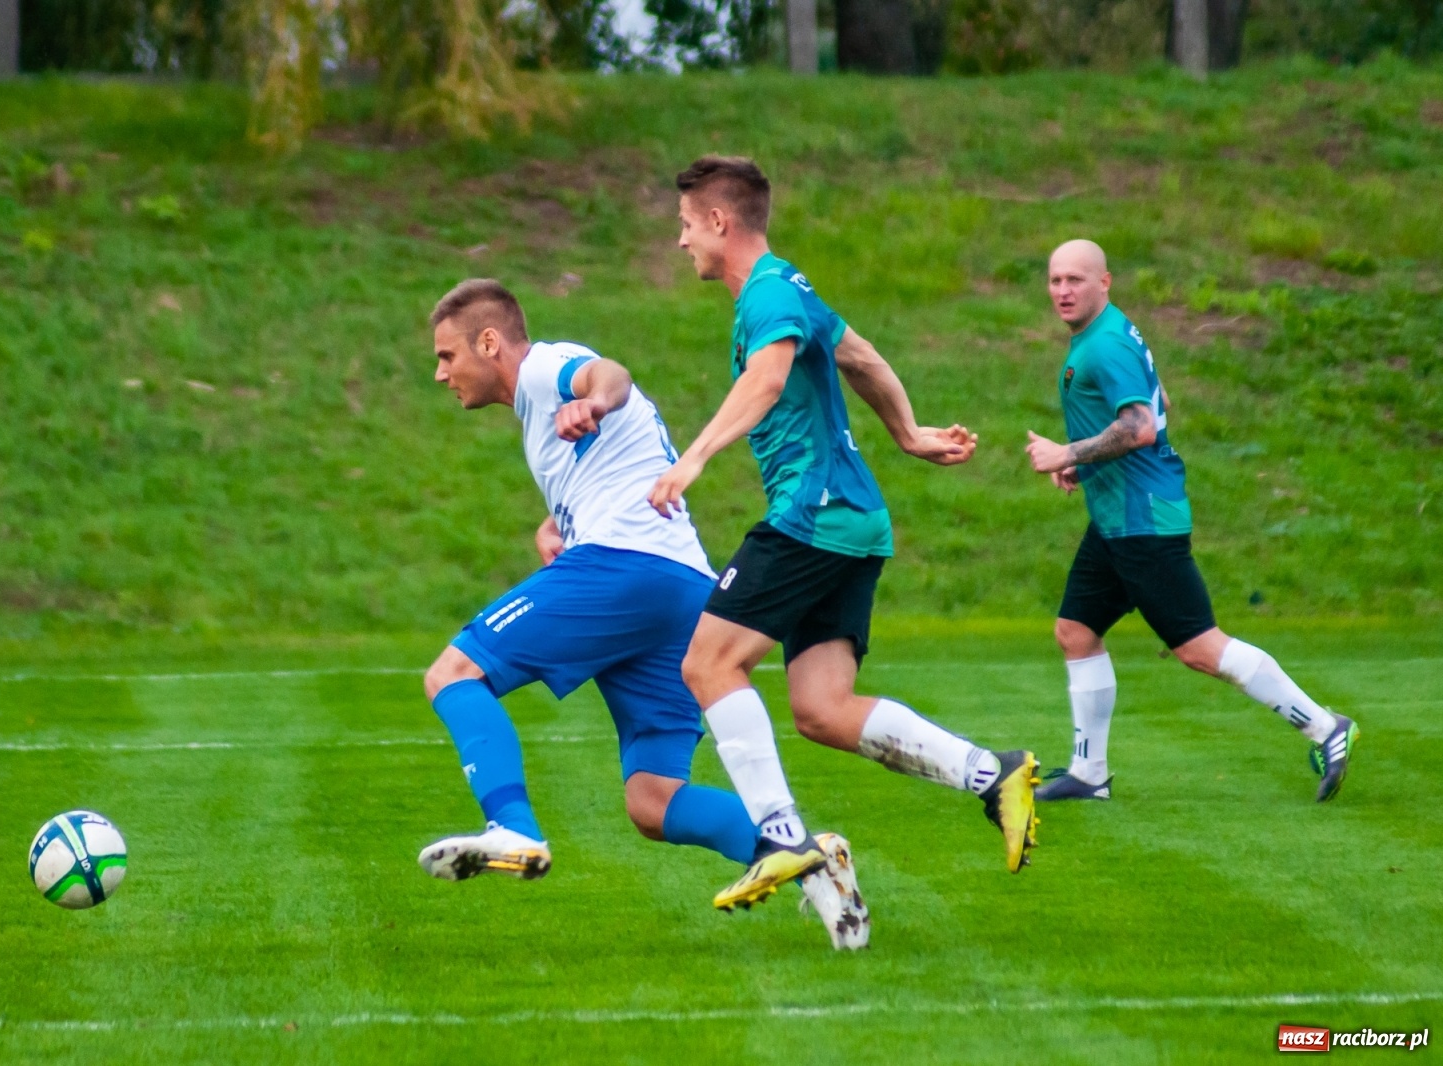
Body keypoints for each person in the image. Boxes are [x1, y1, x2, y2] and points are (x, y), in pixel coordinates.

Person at [417, 278, 868, 949]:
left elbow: (611, 375)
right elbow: (619, 462)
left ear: (489, 343)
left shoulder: (544, 368)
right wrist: (559, 521)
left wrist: (594, 398)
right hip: (682, 590)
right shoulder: (538, 412)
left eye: (447, 355)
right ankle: (808, 854)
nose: (440, 373)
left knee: (453, 674)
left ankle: (512, 828)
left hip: (626, 569)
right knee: (653, 799)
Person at [647, 156, 1042, 915]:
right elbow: (860, 357)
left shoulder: (768, 294)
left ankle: (780, 835)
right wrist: (908, 433)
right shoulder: (791, 287)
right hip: (854, 521)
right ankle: (992, 773)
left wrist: (694, 457)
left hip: (814, 515)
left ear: (720, 222)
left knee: (708, 663)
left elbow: (767, 379)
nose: (682, 240)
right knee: (822, 708)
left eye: (687, 225)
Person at [1024, 239, 1358, 803]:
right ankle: (1088, 773)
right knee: (1075, 632)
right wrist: (1086, 465)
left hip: (1143, 520)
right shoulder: (1111, 333)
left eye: (1075, 280)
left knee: (1199, 647)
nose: (1062, 290)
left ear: (1105, 281)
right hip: (1117, 517)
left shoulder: (1104, 345)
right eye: (1055, 279)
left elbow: (1141, 426)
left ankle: (1326, 727)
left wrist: (1069, 453)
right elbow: (1161, 403)